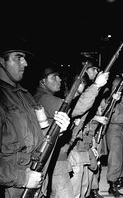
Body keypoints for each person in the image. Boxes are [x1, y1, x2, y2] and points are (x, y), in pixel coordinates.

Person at [0, 38, 70, 198]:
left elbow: (39, 135)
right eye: (18, 57)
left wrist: (57, 129)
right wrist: (22, 178)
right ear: (1, 61)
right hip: (11, 188)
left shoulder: (26, 97)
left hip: (35, 183)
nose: (25, 63)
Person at [34, 61, 109, 198]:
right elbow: (76, 108)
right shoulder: (44, 98)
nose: (59, 79)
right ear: (42, 81)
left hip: (57, 156)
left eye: (59, 76)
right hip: (56, 159)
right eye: (54, 77)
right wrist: (96, 85)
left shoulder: (44, 97)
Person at [67, 60, 109, 198]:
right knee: (76, 185)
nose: (96, 72)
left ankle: (92, 191)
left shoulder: (88, 91)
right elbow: (79, 109)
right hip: (76, 145)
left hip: (87, 139)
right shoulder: (73, 96)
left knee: (85, 180)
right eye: (93, 69)